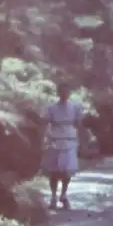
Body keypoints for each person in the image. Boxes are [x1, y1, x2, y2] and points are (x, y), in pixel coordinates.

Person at [41, 80, 84, 210]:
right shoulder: (52, 108)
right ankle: (53, 197)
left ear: (70, 93)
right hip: (55, 139)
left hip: (69, 140)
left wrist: (82, 139)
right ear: (58, 92)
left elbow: (79, 124)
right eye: (62, 91)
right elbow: (45, 122)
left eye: (67, 91)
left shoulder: (75, 107)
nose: (64, 94)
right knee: (54, 171)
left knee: (67, 171)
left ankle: (63, 194)